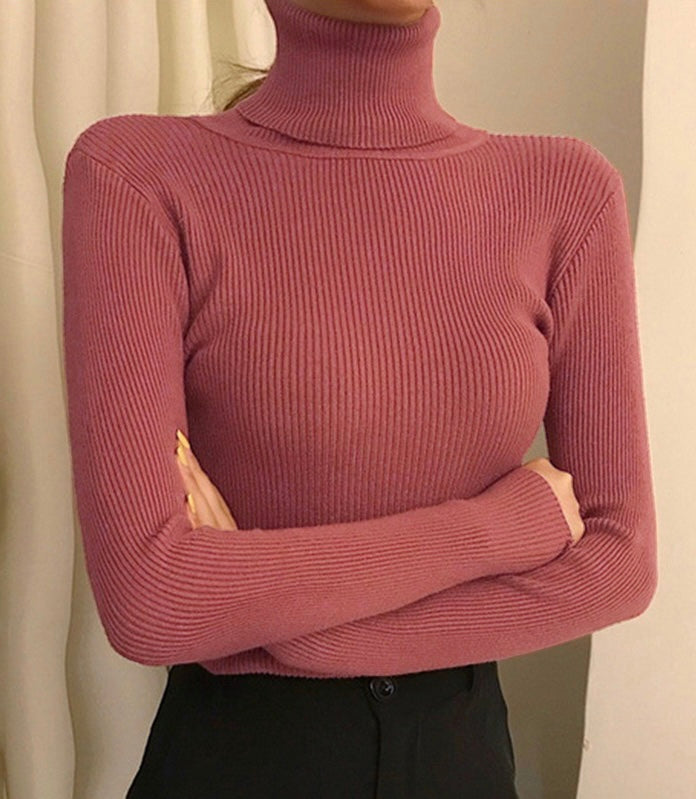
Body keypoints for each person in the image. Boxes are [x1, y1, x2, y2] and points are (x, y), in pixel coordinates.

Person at [60, 0, 658, 796]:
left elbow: (619, 562)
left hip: (465, 768)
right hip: (234, 766)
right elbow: (151, 598)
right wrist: (501, 527)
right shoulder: (136, 174)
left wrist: (274, 631)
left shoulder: (566, 192)